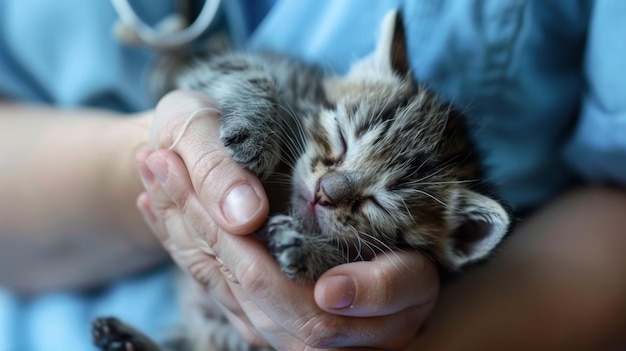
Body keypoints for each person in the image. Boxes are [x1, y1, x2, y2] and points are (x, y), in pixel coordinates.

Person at [1, 1, 625, 351]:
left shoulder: (403, 245)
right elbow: (232, 82)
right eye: (341, 139)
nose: (331, 187)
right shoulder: (301, 91)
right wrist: (158, 170)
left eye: (378, 203)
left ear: (458, 240)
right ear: (356, 78)